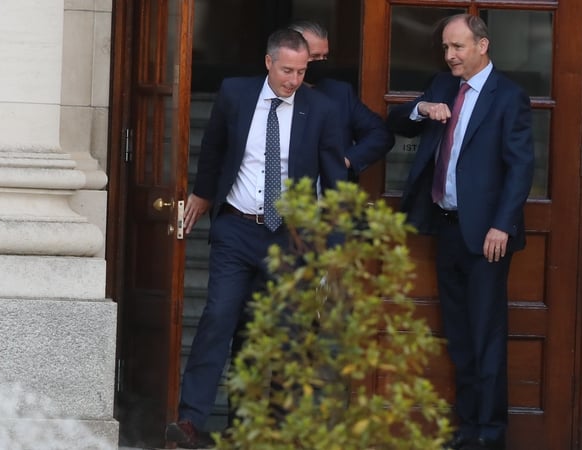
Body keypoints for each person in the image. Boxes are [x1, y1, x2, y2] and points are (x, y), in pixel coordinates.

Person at [165, 28, 346, 449]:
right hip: (237, 227)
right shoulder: (235, 93)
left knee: (283, 332)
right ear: (268, 62)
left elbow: (335, 183)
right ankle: (189, 421)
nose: (293, 80)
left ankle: (268, 428)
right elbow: (212, 148)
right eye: (287, 70)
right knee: (218, 319)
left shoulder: (320, 109)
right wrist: (203, 193)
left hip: (290, 237)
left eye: (301, 72)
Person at [386, 14, 534, 450]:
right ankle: (468, 429)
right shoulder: (442, 85)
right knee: (461, 335)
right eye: (446, 48)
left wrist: (501, 225)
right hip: (446, 228)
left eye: (458, 47)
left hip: (488, 236)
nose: (449, 55)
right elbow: (398, 122)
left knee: (486, 336)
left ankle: (490, 434)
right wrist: (421, 108)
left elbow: (521, 167)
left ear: (482, 46)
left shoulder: (509, 97)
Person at [288, 20, 394, 181]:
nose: (321, 62)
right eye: (314, 56)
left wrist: (344, 160)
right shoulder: (276, 92)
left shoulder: (339, 92)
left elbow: (380, 134)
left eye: (325, 56)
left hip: (327, 197)